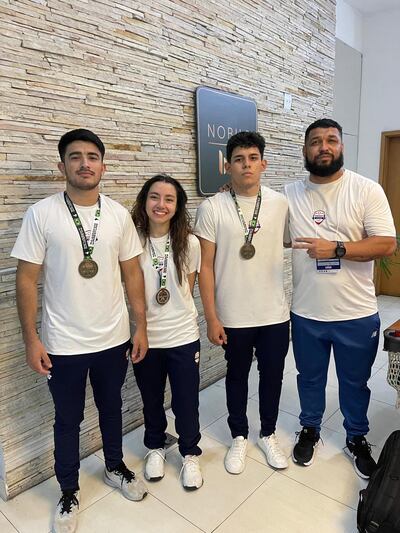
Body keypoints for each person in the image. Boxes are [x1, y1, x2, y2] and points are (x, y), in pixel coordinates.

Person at [11, 129, 149, 533]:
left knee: (111, 408)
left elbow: (132, 274)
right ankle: (68, 490)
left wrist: (140, 326)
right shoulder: (42, 214)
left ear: (103, 166)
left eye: (92, 156)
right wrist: (31, 339)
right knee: (67, 419)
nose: (85, 163)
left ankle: (114, 466)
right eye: (75, 157)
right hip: (62, 343)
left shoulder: (119, 215)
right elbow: (26, 279)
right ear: (62, 166)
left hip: (113, 339)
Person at [286, 118, 396, 479]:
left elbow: (386, 243)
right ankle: (310, 429)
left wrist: (336, 248)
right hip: (307, 311)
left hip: (356, 313)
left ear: (341, 146)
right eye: (315, 141)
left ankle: (356, 437)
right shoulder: (289, 195)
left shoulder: (366, 190)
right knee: (309, 378)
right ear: (305, 150)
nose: (324, 147)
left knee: (354, 383)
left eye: (331, 140)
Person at [194, 131, 290, 474]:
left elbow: (294, 241)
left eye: (252, 158)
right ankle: (239, 435)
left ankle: (268, 433)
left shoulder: (281, 204)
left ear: (263, 164)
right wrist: (211, 317)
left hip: (274, 313)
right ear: (227, 166)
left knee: (272, 376)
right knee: (236, 376)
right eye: (238, 159)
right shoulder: (211, 207)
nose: (246, 165)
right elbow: (204, 266)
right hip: (233, 315)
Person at [131, 174, 203, 490]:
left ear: (178, 206)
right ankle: (155, 446)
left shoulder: (190, 243)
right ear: (144, 201)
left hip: (182, 335)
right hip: (145, 337)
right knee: (151, 399)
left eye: (169, 199)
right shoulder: (131, 241)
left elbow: (187, 287)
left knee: (186, 400)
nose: (161, 204)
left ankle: (190, 453)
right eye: (155, 197)